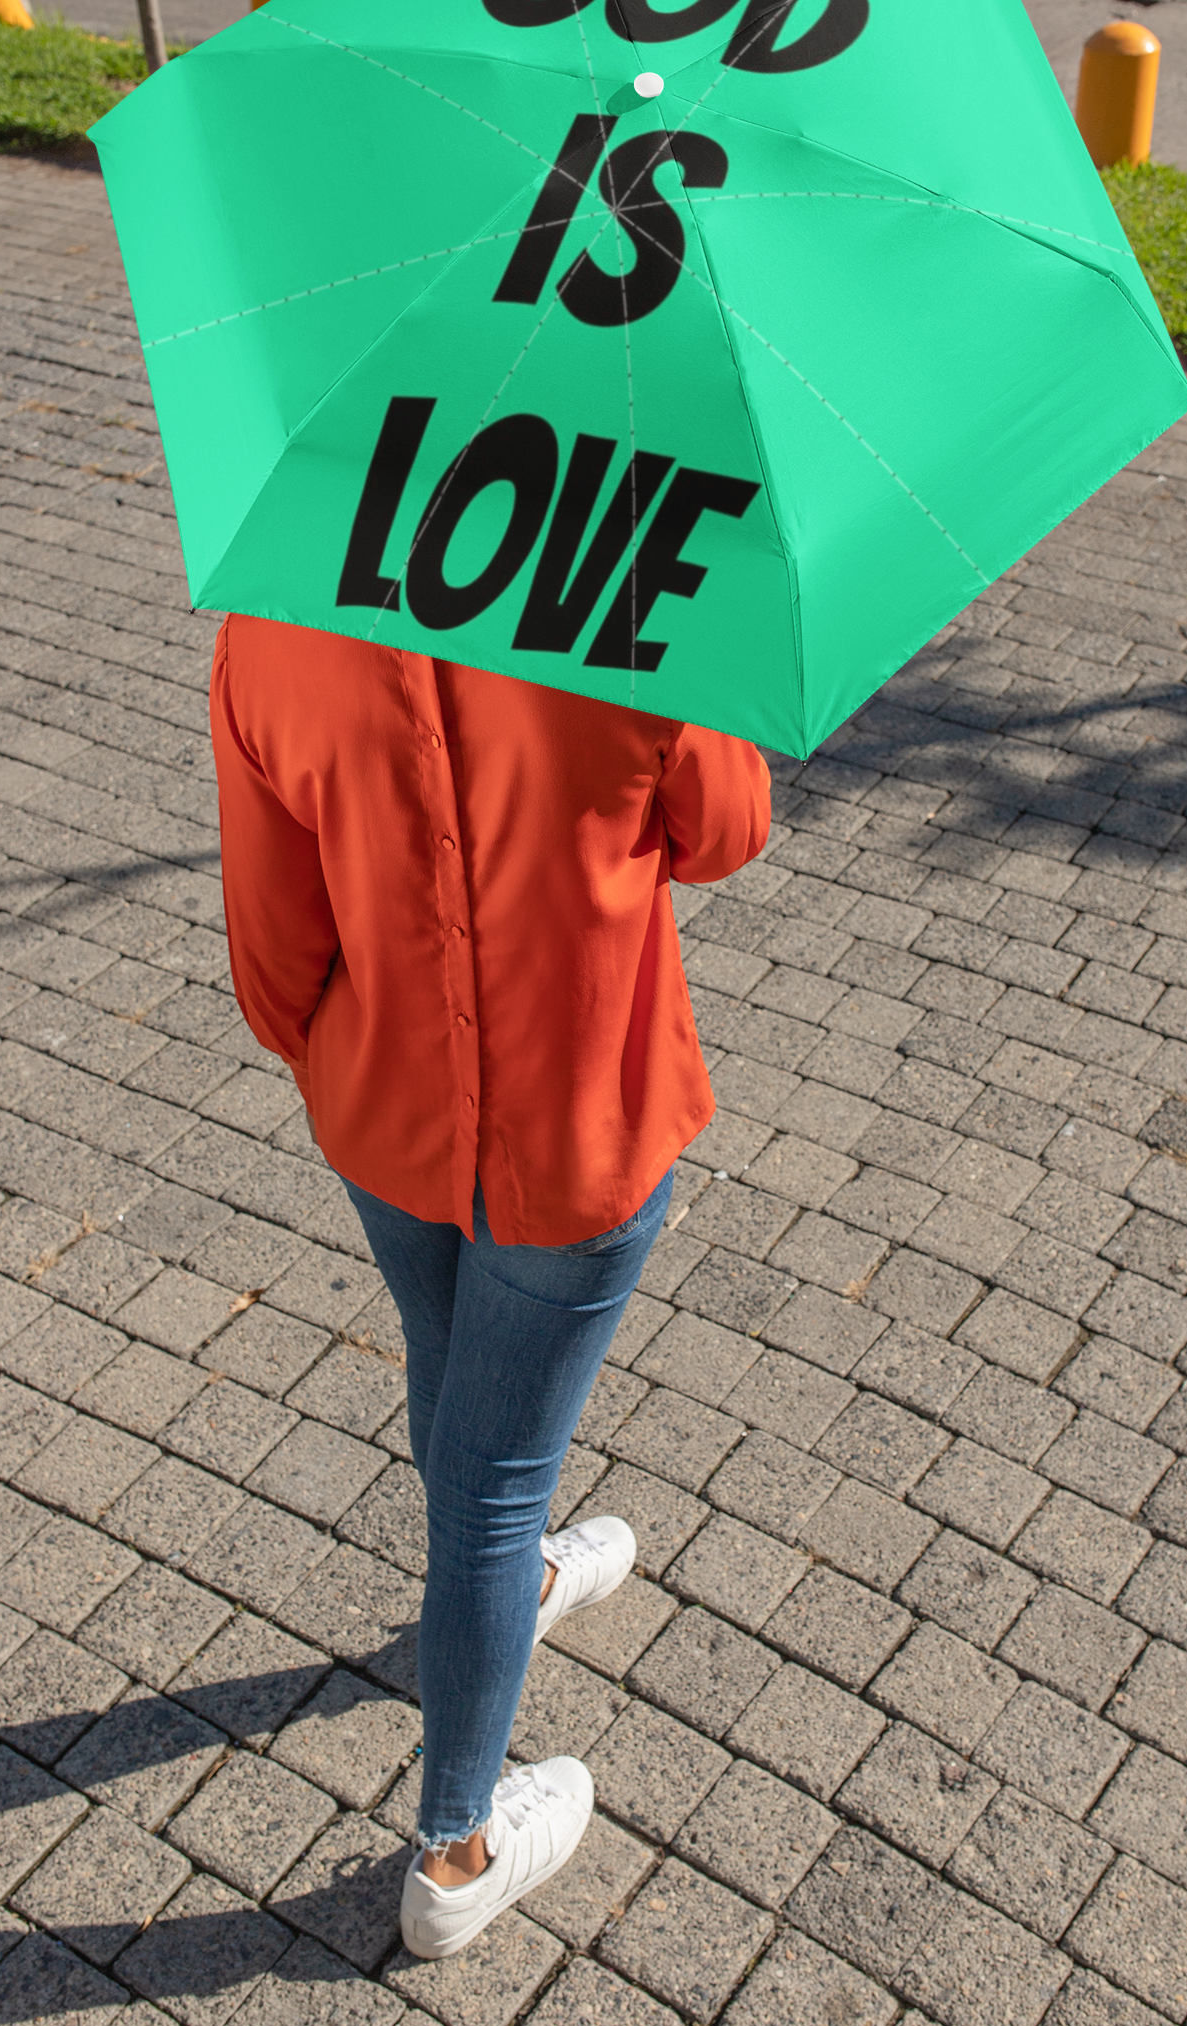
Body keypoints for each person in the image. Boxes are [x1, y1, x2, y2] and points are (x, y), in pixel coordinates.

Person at [210, 616, 770, 1957]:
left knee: (453, 1378)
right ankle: (457, 1847)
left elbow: (272, 959)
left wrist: (348, 1050)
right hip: (581, 1123)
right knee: (494, 1475)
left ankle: (502, 1586)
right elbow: (730, 824)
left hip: (384, 1110)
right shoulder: (629, 591)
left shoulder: (277, 618)